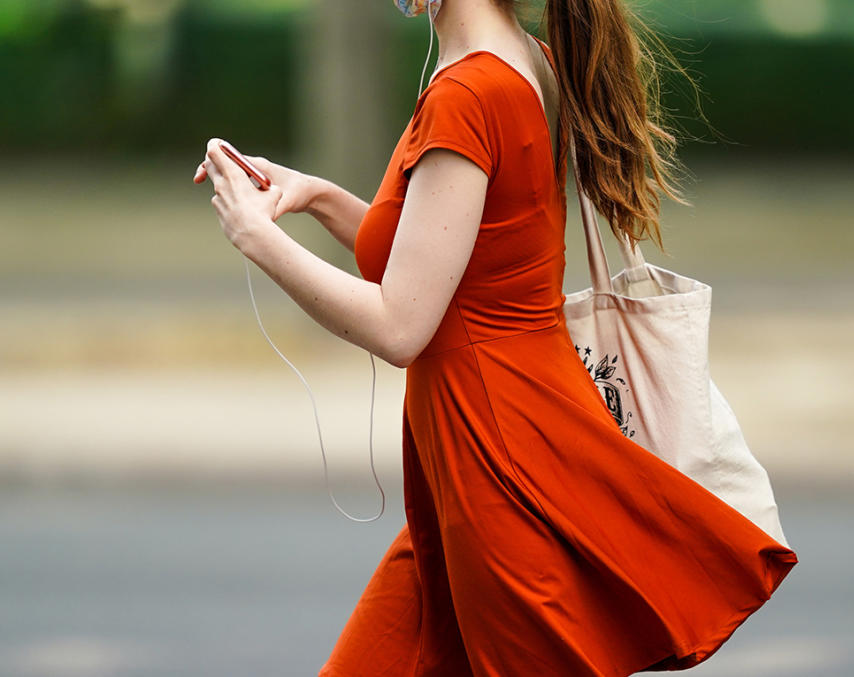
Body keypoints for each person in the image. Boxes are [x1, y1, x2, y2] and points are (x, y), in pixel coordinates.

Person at [194, 0, 798, 673]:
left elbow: (401, 325)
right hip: (492, 451)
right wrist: (313, 195)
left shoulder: (470, 93)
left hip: (498, 469)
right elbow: (455, 265)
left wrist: (258, 239)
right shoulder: (521, 63)